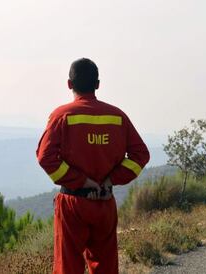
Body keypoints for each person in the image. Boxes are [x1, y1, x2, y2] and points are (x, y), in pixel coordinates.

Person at [36, 58, 150, 274]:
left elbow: (45, 157)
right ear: (98, 84)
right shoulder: (117, 116)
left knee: (67, 267)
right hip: (105, 204)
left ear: (69, 84)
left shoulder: (62, 116)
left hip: (73, 203)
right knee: (106, 267)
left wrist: (81, 182)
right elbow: (140, 155)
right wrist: (111, 180)